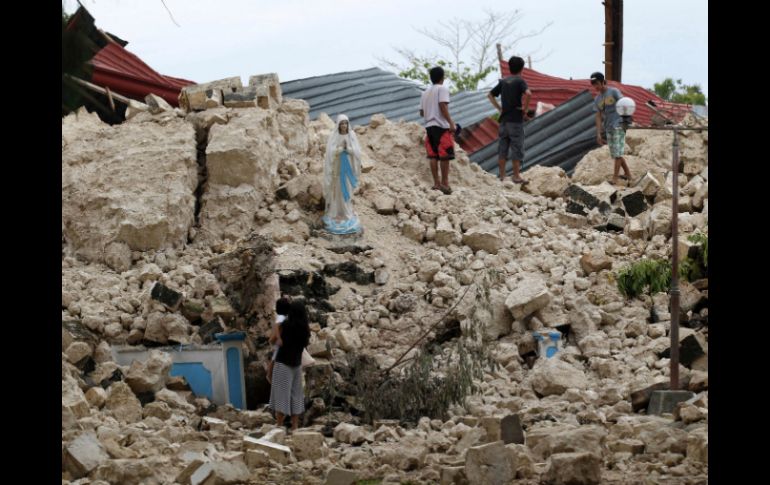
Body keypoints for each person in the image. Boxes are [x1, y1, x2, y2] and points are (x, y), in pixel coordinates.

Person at [487, 55, 532, 184]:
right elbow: (529, 93)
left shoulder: (503, 82)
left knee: (503, 147)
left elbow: (490, 95)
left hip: (504, 120)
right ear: (522, 68)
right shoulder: (520, 81)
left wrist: (499, 109)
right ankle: (516, 176)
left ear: (509, 68)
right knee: (516, 147)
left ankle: (502, 176)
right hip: (515, 120)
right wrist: (525, 109)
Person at [269, 300, 311, 432]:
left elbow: (272, 340)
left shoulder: (285, 325)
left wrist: (277, 332)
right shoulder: (305, 329)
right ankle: (295, 426)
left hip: (283, 364)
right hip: (297, 365)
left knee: (281, 394)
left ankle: (279, 426)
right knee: (296, 395)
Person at [323, 115, 363, 234]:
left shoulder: (352, 135)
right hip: (337, 168)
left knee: (347, 189)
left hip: (348, 168)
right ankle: (335, 212)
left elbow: (357, 152)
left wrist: (348, 149)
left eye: (346, 123)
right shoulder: (334, 136)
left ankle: (346, 212)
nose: (344, 126)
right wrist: (339, 149)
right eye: (342, 124)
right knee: (337, 189)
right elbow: (330, 152)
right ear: (338, 125)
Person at [590, 71, 632, 186]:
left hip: (618, 124)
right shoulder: (597, 99)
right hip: (608, 127)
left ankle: (615, 178)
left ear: (603, 81)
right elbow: (598, 116)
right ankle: (628, 174)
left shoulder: (613, 91)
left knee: (617, 153)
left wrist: (626, 120)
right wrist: (598, 133)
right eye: (593, 84)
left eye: (597, 83)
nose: (595, 87)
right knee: (615, 153)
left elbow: (624, 104)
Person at [419, 66, 456, 194]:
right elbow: (442, 105)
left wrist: (430, 112)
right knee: (444, 155)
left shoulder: (425, 93)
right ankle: (445, 184)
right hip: (441, 126)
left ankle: (436, 183)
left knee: (433, 155)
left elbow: (421, 112)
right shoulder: (442, 89)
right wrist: (451, 122)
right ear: (442, 77)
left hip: (429, 126)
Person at [266, 297, 290, 384]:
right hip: (278, 342)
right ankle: (269, 375)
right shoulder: (282, 317)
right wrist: (279, 338)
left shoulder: (281, 317)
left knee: (274, 357)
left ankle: (270, 375)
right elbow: (277, 326)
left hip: (278, 341)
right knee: (275, 357)